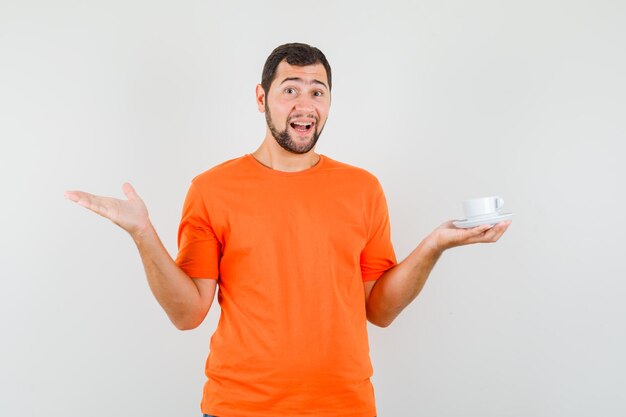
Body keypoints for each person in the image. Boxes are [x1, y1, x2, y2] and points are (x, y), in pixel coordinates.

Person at [65, 42, 511, 417]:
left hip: (345, 406)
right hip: (238, 407)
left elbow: (379, 309)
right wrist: (143, 233)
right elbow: (188, 314)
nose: (305, 103)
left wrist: (435, 244)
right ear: (261, 98)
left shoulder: (363, 188)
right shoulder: (211, 189)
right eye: (290, 89)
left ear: (329, 104)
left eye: (318, 91)